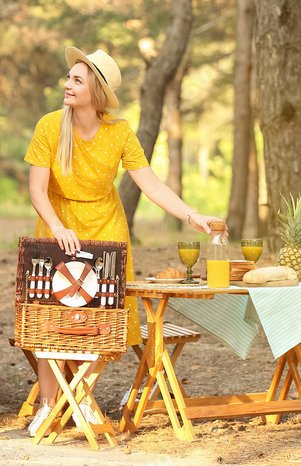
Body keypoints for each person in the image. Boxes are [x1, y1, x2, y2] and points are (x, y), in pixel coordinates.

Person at [23, 46, 217, 435]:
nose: (67, 84)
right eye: (68, 77)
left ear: (96, 91)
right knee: (50, 316)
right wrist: (58, 227)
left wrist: (192, 216)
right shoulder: (49, 126)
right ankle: (48, 405)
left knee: (107, 319)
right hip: (57, 225)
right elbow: (38, 191)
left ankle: (80, 398)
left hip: (107, 227)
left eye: (77, 80)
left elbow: (150, 184)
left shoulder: (120, 132)